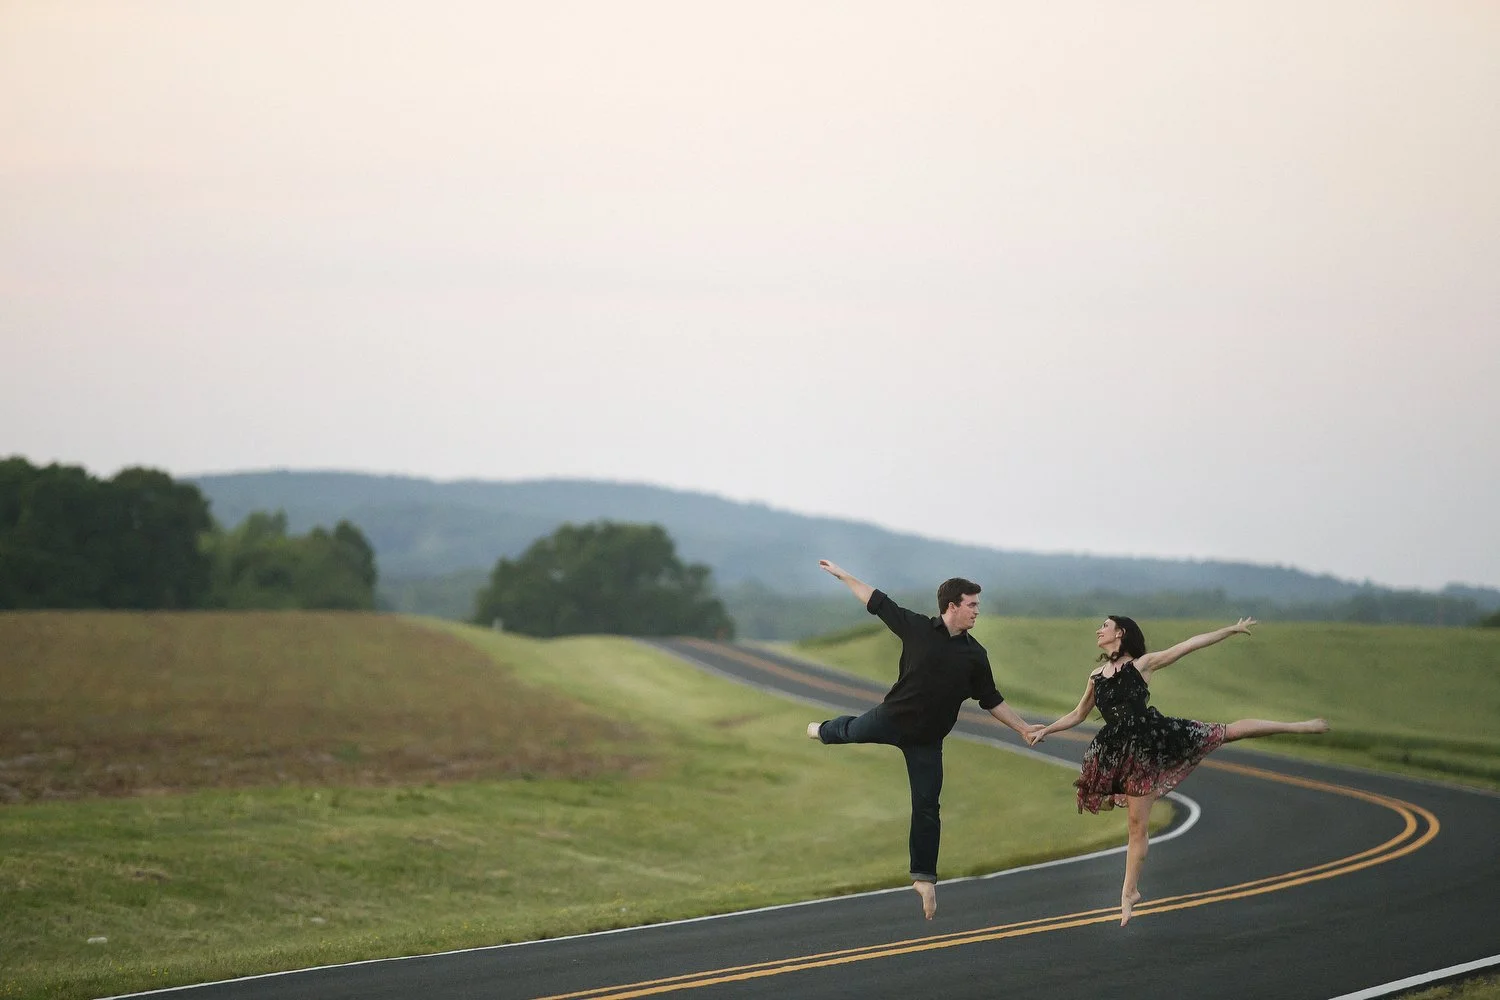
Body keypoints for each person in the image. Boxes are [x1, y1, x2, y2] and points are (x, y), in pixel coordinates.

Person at [1026, 615, 1330, 926]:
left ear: (1121, 632)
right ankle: (1129, 887)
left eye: (1104, 625)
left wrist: (1229, 630)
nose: (1098, 630)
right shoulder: (1096, 676)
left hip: (1151, 742)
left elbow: (1189, 645)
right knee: (1103, 801)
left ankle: (1299, 726)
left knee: (1225, 735)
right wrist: (1046, 730)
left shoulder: (1142, 664)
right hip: (1116, 750)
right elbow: (1079, 714)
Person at [809, 559, 1044, 920]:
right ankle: (821, 731)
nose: (977, 611)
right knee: (851, 731)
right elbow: (876, 601)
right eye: (972, 605)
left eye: (977, 605)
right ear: (952, 606)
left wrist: (1024, 728)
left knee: (927, 806)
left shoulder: (975, 656)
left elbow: (991, 700)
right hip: (891, 719)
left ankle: (924, 877)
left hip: (927, 742)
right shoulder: (917, 628)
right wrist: (844, 576)